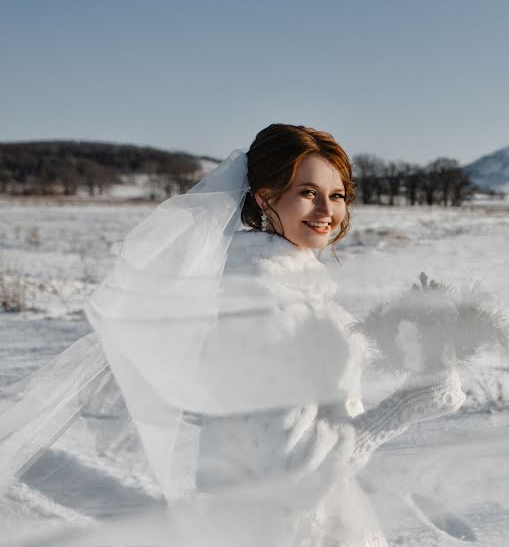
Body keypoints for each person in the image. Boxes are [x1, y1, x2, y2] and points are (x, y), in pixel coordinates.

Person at [0, 124, 467, 547]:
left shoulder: (276, 286)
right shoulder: (270, 300)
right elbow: (296, 467)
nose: (328, 210)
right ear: (265, 199)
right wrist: (412, 404)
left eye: (338, 195)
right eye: (308, 192)